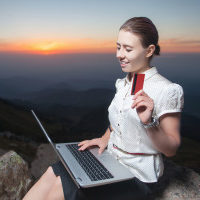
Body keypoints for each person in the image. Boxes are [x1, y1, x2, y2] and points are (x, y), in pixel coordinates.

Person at [23, 17, 184, 200]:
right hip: (110, 162)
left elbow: (171, 148)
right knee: (54, 172)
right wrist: (103, 138)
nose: (119, 55)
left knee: (64, 184)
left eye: (128, 49)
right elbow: (119, 120)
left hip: (137, 177)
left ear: (149, 50)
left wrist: (149, 123)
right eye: (118, 47)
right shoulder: (125, 82)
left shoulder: (167, 90)